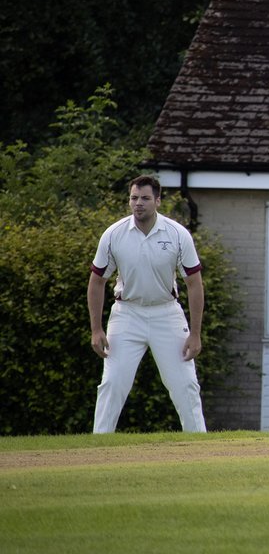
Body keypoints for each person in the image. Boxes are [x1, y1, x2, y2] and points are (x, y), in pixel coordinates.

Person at [87, 175, 206, 433]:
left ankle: (199, 443)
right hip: (126, 314)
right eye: (134, 198)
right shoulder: (113, 234)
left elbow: (194, 283)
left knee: (185, 384)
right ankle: (97, 445)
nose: (138, 203)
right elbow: (97, 281)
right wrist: (96, 329)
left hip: (167, 313)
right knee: (112, 383)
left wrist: (195, 334)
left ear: (158, 201)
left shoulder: (177, 234)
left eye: (145, 198)